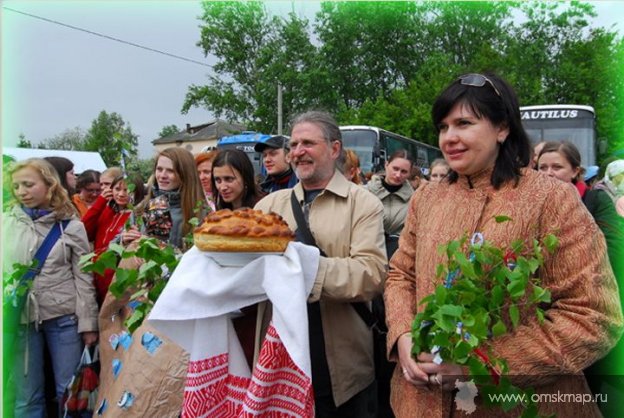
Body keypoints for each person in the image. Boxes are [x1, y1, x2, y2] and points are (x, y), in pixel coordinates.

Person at [384, 73, 623, 417]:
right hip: (419, 402)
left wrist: (479, 367)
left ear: (502, 128)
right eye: (443, 126)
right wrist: (404, 337)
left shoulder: (550, 198)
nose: (449, 137)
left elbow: (594, 315)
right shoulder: (427, 198)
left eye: (464, 123)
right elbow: (401, 276)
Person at [255, 110, 387, 418]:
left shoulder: (363, 203)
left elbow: (372, 274)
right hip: (280, 362)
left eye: (308, 143)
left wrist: (305, 269)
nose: (298, 152)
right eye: (294, 145)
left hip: (342, 371)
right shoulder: (268, 206)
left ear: (334, 149)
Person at [4, 158, 98, 417]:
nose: (21, 191)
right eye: (16, 185)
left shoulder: (71, 225)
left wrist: (88, 324)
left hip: (64, 318)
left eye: (28, 184)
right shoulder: (6, 224)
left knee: (68, 392)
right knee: (26, 397)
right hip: (21, 319)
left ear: (49, 184)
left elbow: (84, 278)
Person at [82, 174, 146, 305]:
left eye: (127, 190)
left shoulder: (139, 218)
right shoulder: (107, 211)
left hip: (118, 282)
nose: (121, 194)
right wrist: (100, 202)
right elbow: (84, 233)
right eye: (117, 189)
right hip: (97, 278)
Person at [124, 147, 205, 250]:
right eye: (159, 169)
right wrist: (125, 241)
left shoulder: (201, 213)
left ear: (185, 174)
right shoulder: (141, 209)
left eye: (170, 171)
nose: (162, 175)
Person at [367, 149, 414, 256]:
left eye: (404, 171)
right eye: (395, 169)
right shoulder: (364, 192)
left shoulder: (415, 200)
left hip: (397, 259)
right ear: (386, 165)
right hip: (366, 255)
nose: (398, 175)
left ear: (410, 173)